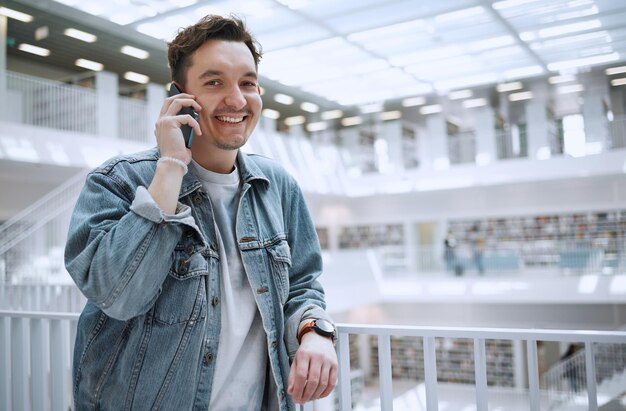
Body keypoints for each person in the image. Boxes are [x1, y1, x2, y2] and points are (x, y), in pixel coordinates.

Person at [64, 15, 337, 410]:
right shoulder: (118, 181)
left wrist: (315, 331)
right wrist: (171, 166)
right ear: (179, 96)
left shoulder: (278, 186)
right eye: (214, 83)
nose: (238, 100)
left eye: (247, 83)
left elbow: (303, 283)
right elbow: (116, 295)